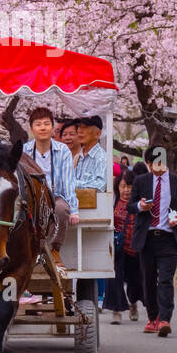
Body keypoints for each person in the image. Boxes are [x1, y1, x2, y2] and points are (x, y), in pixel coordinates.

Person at [128, 146, 177, 337]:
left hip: (168, 238)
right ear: (148, 164)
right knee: (148, 280)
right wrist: (140, 206)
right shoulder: (141, 181)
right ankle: (152, 317)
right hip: (147, 238)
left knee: (165, 280)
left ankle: (164, 320)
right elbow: (131, 205)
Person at [25, 106, 79, 266]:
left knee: (61, 210)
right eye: (38, 124)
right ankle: (29, 252)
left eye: (46, 124)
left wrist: (74, 210)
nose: (42, 128)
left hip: (55, 196)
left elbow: (69, 182)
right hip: (32, 197)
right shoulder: (25, 150)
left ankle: (55, 249)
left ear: (53, 127)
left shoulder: (62, 150)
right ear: (32, 129)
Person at [103, 169, 143, 324]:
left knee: (135, 280)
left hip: (134, 248)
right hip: (116, 247)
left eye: (130, 186)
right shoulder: (112, 201)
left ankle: (132, 303)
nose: (126, 190)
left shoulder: (140, 203)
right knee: (115, 278)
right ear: (117, 187)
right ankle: (117, 310)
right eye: (123, 186)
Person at [73, 115, 109, 190]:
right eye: (79, 126)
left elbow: (100, 186)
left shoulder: (101, 157)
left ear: (98, 134)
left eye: (85, 127)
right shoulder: (77, 157)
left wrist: (72, 183)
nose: (80, 131)